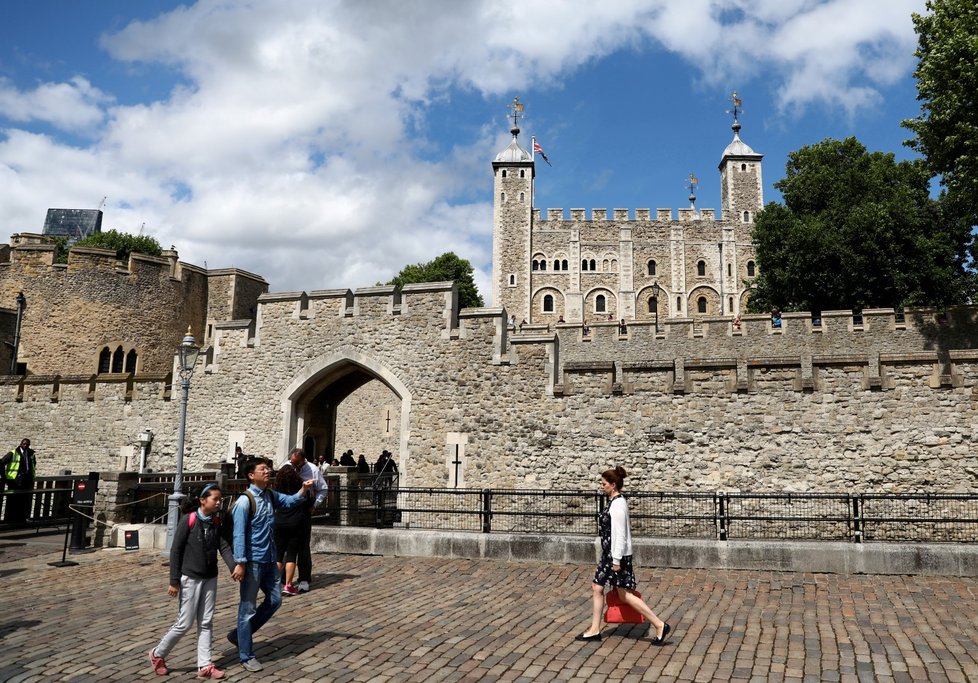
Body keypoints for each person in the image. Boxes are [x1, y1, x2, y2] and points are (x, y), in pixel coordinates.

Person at [228, 458, 313, 673]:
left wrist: (303, 490)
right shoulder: (245, 502)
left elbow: (289, 501)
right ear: (251, 475)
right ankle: (246, 654)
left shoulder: (269, 495)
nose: (268, 471)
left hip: (269, 559)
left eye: (267, 468)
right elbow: (238, 534)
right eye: (262, 469)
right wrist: (240, 563)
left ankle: (240, 635)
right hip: (253, 562)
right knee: (247, 609)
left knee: (275, 601)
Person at [150, 483, 238, 679]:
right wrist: (174, 581)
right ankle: (158, 654)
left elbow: (223, 546)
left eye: (220, 499)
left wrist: (233, 567)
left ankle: (205, 665)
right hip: (190, 578)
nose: (219, 503)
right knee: (185, 623)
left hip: (210, 577)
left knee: (206, 621)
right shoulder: (188, 520)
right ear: (202, 500)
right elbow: (176, 551)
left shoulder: (216, 521)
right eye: (215, 499)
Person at [577, 466, 671, 645]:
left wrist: (616, 560)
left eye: (604, 484)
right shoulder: (614, 502)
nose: (601, 486)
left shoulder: (618, 505)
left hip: (615, 556)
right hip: (610, 555)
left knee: (624, 595)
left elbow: (619, 535)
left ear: (613, 485)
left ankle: (659, 624)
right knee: (598, 588)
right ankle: (595, 629)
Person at [283, 447, 328, 592]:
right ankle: (284, 580)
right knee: (286, 547)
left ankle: (304, 579)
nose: (295, 466)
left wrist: (314, 505)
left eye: (298, 463)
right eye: (293, 462)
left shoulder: (313, 470)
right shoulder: (287, 468)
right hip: (288, 511)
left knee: (303, 547)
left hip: (303, 511)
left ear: (303, 460)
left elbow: (323, 488)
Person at [272, 464, 309, 597]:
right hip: (295, 522)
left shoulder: (276, 489)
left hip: (279, 521)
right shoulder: (300, 487)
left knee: (278, 555)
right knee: (292, 555)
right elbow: (307, 502)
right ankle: (288, 584)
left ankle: (275, 583)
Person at [1, 438, 36, 524]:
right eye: (24, 444)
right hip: (14, 481)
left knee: (24, 501)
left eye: (27, 444)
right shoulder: (13, 453)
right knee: (12, 501)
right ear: (20, 444)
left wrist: (31, 476)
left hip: (26, 480)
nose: (25, 446)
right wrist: (4, 476)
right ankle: (10, 520)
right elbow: (1, 463)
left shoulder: (31, 453)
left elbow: (33, 465)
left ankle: (21, 520)